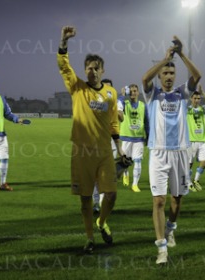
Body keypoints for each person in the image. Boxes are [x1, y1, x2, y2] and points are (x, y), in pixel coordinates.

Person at [57, 26, 124, 254]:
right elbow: (64, 67)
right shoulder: (77, 88)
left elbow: (114, 123)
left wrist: (120, 148)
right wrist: (64, 42)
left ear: (102, 70)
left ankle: (102, 222)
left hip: (105, 152)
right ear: (85, 71)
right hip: (82, 152)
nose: (92, 71)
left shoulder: (111, 94)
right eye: (88, 68)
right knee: (85, 200)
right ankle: (90, 239)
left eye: (96, 68)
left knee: (112, 195)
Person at [142, 36, 201, 265]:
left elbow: (197, 76)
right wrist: (165, 59)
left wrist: (182, 54)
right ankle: (161, 248)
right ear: (160, 76)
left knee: (176, 200)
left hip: (179, 153)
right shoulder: (152, 94)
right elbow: (144, 78)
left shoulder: (182, 93)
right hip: (158, 152)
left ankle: (170, 227)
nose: (168, 77)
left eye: (171, 73)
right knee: (158, 201)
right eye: (165, 73)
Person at [92, 78, 124, 213]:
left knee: (107, 176)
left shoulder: (118, 102)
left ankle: (102, 203)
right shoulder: (95, 101)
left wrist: (111, 108)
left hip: (111, 144)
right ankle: (95, 203)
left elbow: (121, 117)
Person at [120, 84, 148, 193]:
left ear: (138, 92)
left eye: (135, 91)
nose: (133, 93)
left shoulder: (143, 106)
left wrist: (148, 136)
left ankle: (135, 184)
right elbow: (117, 106)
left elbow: (147, 122)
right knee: (126, 161)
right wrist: (122, 95)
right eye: (130, 91)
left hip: (139, 138)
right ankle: (125, 174)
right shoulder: (124, 104)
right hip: (126, 137)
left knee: (137, 161)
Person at [187, 84, 205, 192]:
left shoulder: (202, 110)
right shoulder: (187, 110)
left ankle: (196, 180)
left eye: (199, 98)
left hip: (202, 140)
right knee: (189, 164)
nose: (197, 100)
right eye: (195, 98)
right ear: (191, 99)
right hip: (191, 141)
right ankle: (188, 183)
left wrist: (203, 93)